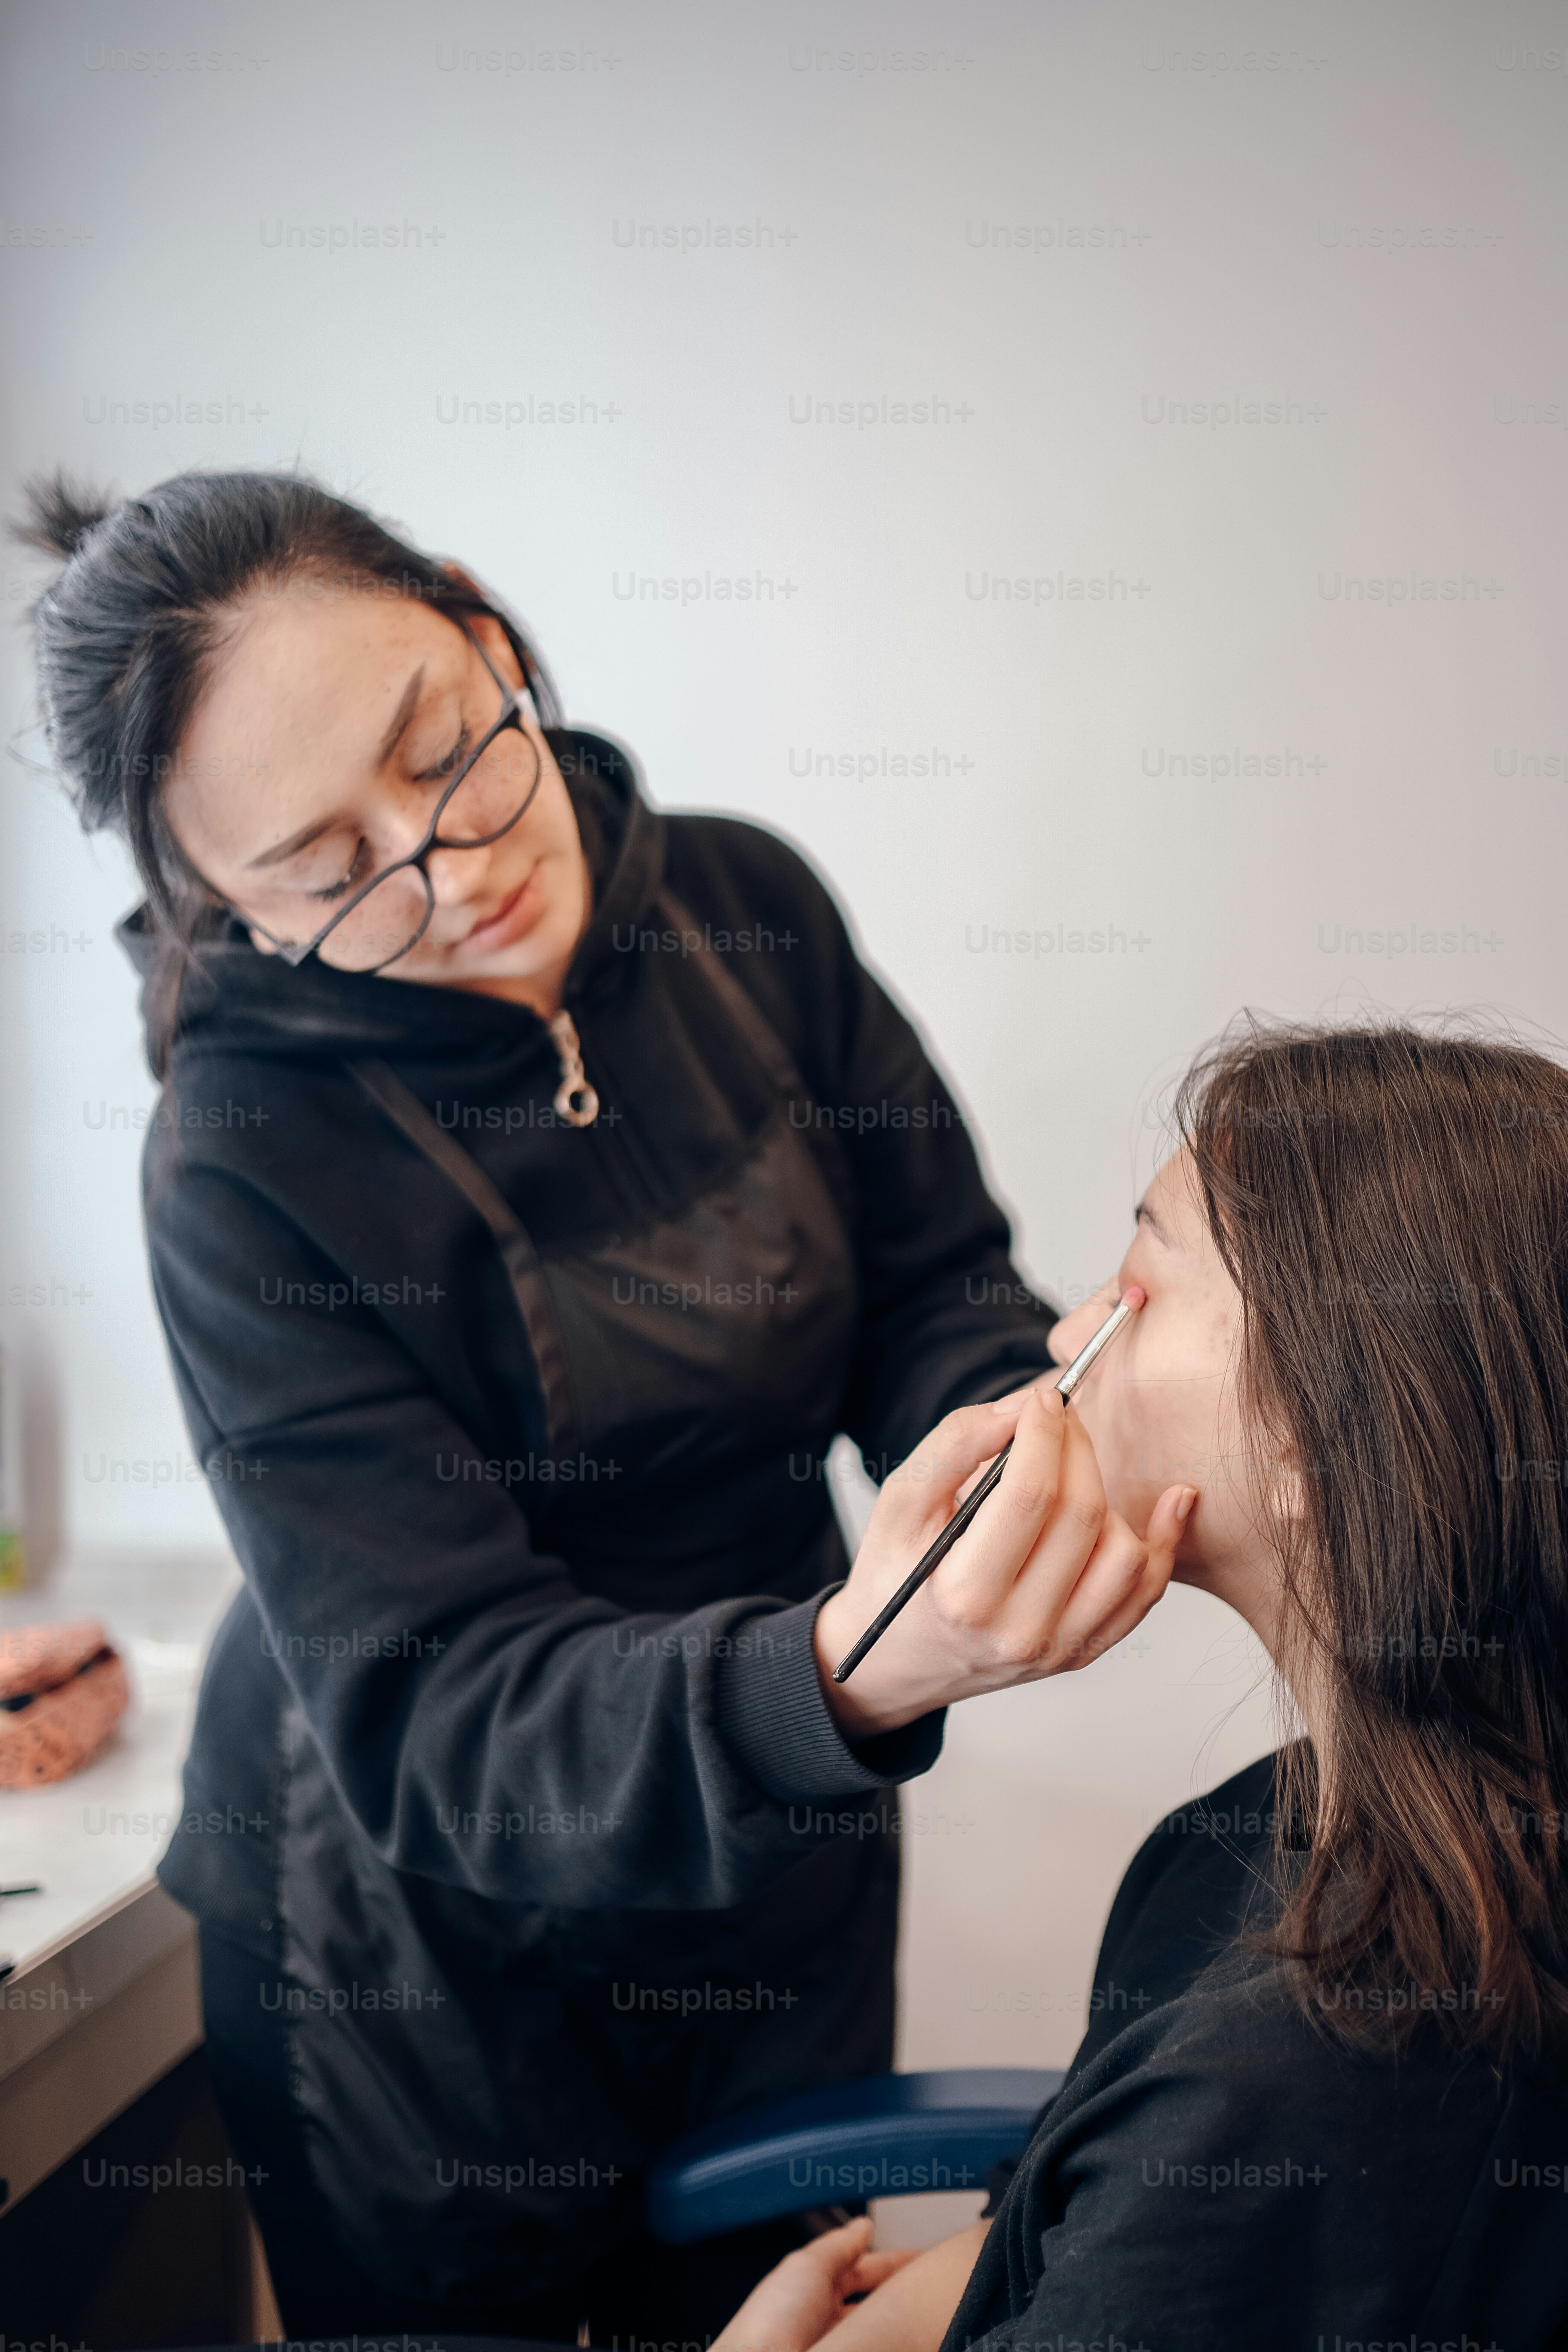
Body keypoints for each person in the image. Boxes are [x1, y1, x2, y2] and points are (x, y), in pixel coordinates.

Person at [16, 470, 1187, 2346]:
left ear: (483, 628)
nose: (454, 869)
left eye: (449, 753)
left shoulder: (745, 907)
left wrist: (1017, 1452)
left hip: (779, 1819)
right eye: (332, 878)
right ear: (225, 910)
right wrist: (844, 1671)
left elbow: (934, 1290)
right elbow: (442, 1696)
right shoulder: (239, 1157)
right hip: (413, 1917)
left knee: (772, 2302)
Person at [714, 1019, 1568, 2352]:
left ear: (1309, 1438)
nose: (1067, 1333)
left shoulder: (1291, 2089)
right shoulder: (1253, 1841)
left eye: (1135, 1286)